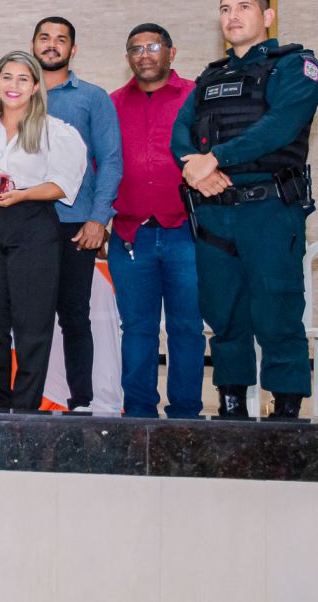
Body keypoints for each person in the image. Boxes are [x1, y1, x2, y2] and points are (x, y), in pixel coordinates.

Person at [172, 0, 318, 419]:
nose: (232, 16)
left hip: (270, 210)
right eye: (225, 9)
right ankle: (231, 407)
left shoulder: (295, 66)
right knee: (223, 314)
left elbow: (279, 126)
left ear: (267, 16)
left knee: (278, 309)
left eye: (243, 7)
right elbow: (181, 132)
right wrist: (195, 169)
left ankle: (286, 414)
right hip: (214, 213)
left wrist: (215, 158)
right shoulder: (209, 77)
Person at [0, 51, 87, 410]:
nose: (14, 85)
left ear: (36, 86)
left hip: (33, 223)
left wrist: (21, 194)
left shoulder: (56, 131)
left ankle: (25, 408)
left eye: (23, 79)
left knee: (32, 322)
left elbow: (63, 185)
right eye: (7, 77)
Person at [109, 24, 204, 418]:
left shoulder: (196, 96)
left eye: (152, 47)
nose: (144, 55)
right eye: (136, 48)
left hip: (187, 234)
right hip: (131, 234)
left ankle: (186, 415)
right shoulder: (112, 104)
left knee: (187, 328)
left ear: (171, 52)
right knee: (137, 329)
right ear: (128, 57)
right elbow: (101, 164)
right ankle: (138, 414)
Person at [32, 16, 123, 411]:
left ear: (73, 49)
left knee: (74, 316)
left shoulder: (92, 98)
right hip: (26, 223)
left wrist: (98, 219)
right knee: (30, 318)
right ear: (33, 45)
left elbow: (111, 161)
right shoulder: (19, 94)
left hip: (74, 223)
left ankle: (81, 401)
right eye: (44, 37)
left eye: (61, 39)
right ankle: (28, 401)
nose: (52, 45)